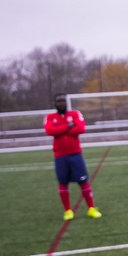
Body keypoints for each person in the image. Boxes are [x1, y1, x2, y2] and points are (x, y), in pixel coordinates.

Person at [43, 93, 101, 221]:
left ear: (66, 103)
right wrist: (67, 127)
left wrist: (60, 130)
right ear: (55, 104)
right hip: (60, 156)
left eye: (63, 101)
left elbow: (80, 129)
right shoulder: (50, 117)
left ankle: (91, 208)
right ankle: (68, 211)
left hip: (75, 155)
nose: (61, 103)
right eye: (59, 101)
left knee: (83, 181)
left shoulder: (75, 114)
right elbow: (50, 131)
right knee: (63, 183)